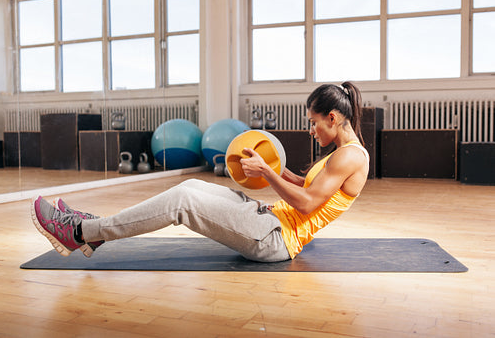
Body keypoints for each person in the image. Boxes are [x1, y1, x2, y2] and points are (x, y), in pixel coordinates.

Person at [31, 82, 369, 262]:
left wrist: (267, 172)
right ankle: (97, 231)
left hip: (275, 240)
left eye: (313, 123)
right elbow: (306, 186)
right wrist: (273, 168)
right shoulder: (342, 154)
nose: (311, 131)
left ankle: (79, 233)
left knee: (182, 201)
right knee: (192, 184)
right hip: (269, 217)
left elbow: (308, 204)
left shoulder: (349, 158)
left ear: (333, 118)